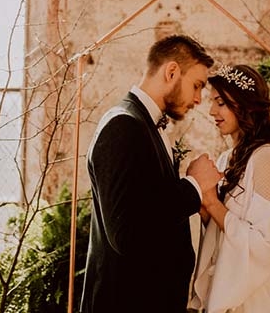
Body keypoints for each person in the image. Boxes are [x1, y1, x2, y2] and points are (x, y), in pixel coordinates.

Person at [80, 34, 223, 313]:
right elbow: (127, 234)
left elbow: (150, 206)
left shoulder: (146, 125)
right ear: (171, 71)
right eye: (196, 86)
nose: (197, 99)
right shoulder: (123, 126)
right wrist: (194, 186)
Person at [190, 64, 270, 313]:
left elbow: (266, 244)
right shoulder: (225, 159)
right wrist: (202, 205)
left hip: (254, 296)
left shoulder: (267, 160)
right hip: (223, 283)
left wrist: (212, 202)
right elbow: (220, 232)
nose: (212, 111)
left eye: (220, 102)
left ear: (244, 106)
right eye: (212, 101)